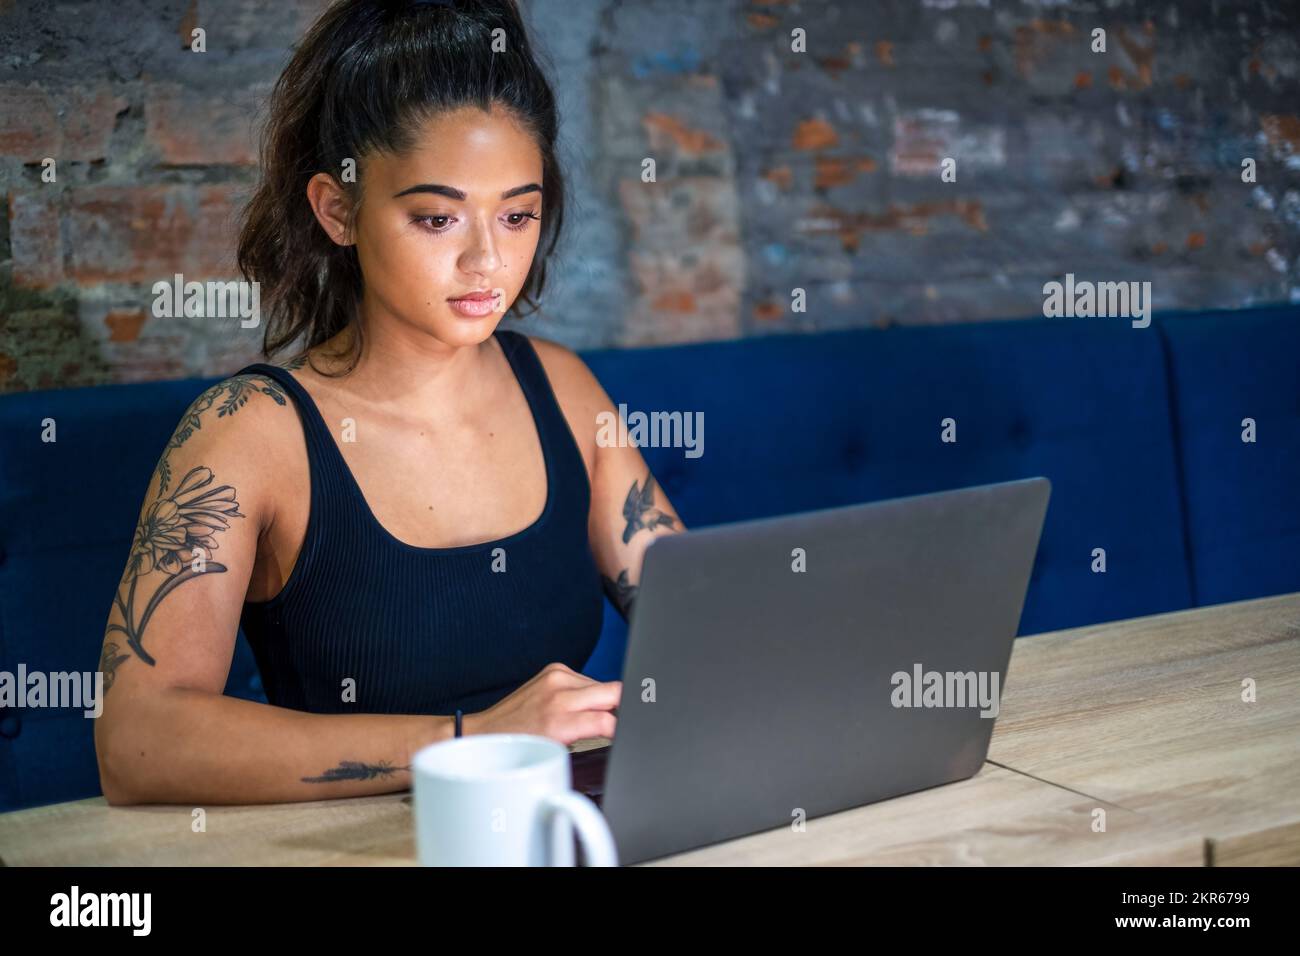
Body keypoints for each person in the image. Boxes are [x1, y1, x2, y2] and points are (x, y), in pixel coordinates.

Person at [94, 0, 684, 806]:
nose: (487, 259)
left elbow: (700, 624)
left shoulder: (565, 387)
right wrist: (476, 743)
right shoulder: (248, 433)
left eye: (517, 214)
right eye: (437, 217)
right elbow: (137, 742)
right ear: (338, 210)